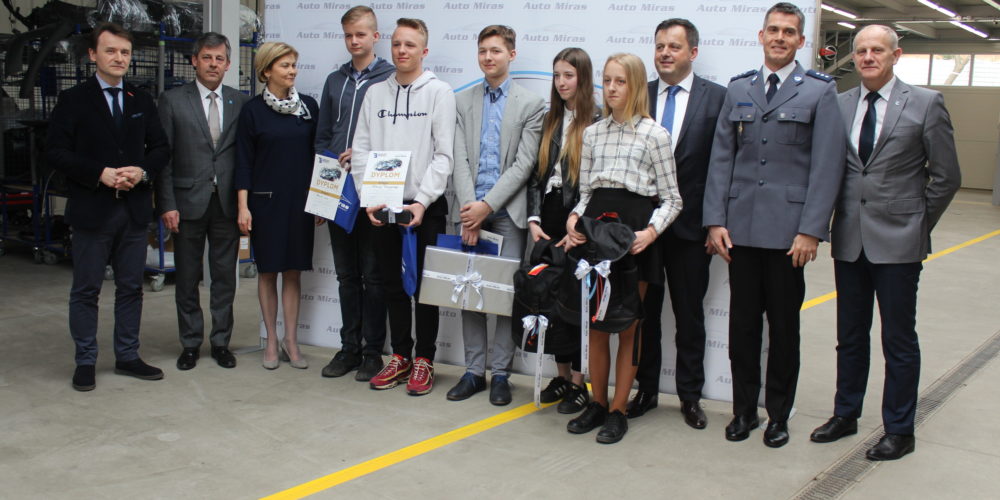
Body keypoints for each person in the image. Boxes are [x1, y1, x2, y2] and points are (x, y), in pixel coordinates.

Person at [809, 25, 961, 461]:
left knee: (898, 339)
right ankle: (845, 413)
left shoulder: (926, 103)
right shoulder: (839, 105)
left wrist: (917, 224)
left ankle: (899, 429)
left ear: (896, 55)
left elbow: (947, 176)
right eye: (861, 51)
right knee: (850, 336)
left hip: (899, 242)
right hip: (850, 240)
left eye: (877, 50)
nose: (868, 57)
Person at [703, 2, 846, 448]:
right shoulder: (739, 88)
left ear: (801, 40)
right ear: (761, 36)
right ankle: (743, 411)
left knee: (784, 329)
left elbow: (827, 166)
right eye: (773, 30)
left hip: (789, 236)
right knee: (742, 328)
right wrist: (715, 220)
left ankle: (778, 415)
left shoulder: (819, 91)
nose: (780, 37)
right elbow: (721, 158)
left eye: (788, 31)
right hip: (741, 230)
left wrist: (811, 230)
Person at [564, 53, 682, 444]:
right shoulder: (592, 133)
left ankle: (618, 410)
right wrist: (573, 219)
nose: (612, 89)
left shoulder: (655, 135)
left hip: (634, 239)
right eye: (607, 81)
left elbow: (673, 199)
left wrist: (651, 232)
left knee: (629, 327)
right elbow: (585, 193)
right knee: (596, 327)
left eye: (620, 81)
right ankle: (597, 403)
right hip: (596, 235)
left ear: (635, 86)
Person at [46, 22, 170, 391]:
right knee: (86, 290)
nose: (119, 58)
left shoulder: (140, 100)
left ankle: (127, 355)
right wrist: (98, 173)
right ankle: (85, 360)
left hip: (133, 210)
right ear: (92, 54)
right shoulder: (74, 100)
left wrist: (141, 171)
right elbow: (55, 152)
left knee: (131, 288)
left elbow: (161, 148)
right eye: (111, 50)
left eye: (125, 52)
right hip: (93, 209)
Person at [627, 18, 726, 429]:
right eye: (660, 46)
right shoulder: (638, 95)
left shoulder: (717, 98)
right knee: (643, 314)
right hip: (643, 229)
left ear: (693, 52)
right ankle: (646, 389)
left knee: (689, 316)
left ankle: (689, 396)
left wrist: (716, 221)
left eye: (674, 46)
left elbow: (723, 166)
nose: (665, 53)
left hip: (691, 229)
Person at [352, 18, 457, 396]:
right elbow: (361, 150)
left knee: (425, 289)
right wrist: (369, 198)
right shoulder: (375, 93)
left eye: (410, 45)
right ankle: (400, 356)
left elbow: (444, 155)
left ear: (423, 51)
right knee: (390, 285)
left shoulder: (440, 92)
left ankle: (425, 360)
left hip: (424, 206)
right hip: (383, 203)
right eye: (397, 44)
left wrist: (423, 201)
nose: (401, 50)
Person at [447, 25, 545, 406]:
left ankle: (501, 373)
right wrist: (470, 212)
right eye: (483, 51)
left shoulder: (530, 104)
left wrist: (486, 206)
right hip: (468, 210)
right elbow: (459, 159)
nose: (488, 57)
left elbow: (524, 164)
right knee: (468, 290)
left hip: (507, 213)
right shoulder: (462, 101)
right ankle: (474, 371)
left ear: (511, 55)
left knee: (505, 295)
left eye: (496, 51)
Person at [156, 32, 250, 371]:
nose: (213, 64)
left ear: (228, 64)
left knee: (225, 278)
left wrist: (244, 203)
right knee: (186, 278)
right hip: (186, 203)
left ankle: (221, 342)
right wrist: (167, 204)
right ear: (194, 60)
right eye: (207, 58)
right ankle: (191, 343)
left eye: (219, 59)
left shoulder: (240, 102)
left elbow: (245, 157)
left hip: (226, 204)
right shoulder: (172, 101)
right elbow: (163, 157)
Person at [314, 5, 395, 381]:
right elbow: (322, 138)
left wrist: (364, 156)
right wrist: (322, 191)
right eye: (348, 35)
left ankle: (372, 353)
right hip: (337, 188)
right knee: (346, 274)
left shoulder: (390, 78)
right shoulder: (334, 80)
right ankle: (348, 349)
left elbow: (395, 136)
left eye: (360, 34)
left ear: (375, 36)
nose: (354, 41)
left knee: (373, 275)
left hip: (374, 188)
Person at [235, 42, 323, 370]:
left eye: (294, 65)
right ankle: (271, 340)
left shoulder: (308, 107)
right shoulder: (252, 111)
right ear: (266, 70)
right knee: (268, 271)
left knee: (293, 271)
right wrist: (243, 207)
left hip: (300, 203)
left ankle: (291, 340)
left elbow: (319, 157)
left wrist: (320, 200)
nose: (292, 71)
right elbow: (243, 162)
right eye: (285, 65)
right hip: (265, 204)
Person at [527, 47, 600, 415]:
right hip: (549, 217)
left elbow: (597, 184)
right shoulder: (550, 119)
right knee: (550, 300)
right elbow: (536, 176)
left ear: (582, 78)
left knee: (576, 303)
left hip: (578, 220)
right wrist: (533, 219)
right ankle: (560, 376)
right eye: (556, 75)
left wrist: (580, 225)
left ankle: (578, 381)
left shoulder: (598, 119)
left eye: (568, 75)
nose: (561, 82)